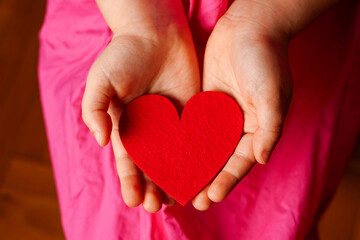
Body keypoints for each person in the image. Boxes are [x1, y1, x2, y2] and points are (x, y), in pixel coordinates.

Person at [38, 0, 360, 239]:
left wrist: (268, 16)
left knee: (271, 215)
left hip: (291, 25)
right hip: (117, 15)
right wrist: (139, 23)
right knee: (107, 213)